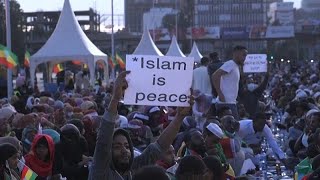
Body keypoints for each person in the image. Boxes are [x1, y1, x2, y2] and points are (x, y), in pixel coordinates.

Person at [88, 71, 193, 180]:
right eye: (117, 147)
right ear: (108, 152)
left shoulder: (132, 169)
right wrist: (115, 99)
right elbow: (103, 142)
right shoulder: (100, 172)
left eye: (127, 146)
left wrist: (179, 117)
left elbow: (158, 147)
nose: (124, 150)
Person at [212, 46, 248, 120]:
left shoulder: (235, 66)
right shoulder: (230, 64)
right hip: (226, 103)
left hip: (230, 102)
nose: (244, 58)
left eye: (245, 56)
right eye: (243, 55)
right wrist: (220, 93)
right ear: (236, 54)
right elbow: (215, 76)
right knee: (233, 128)